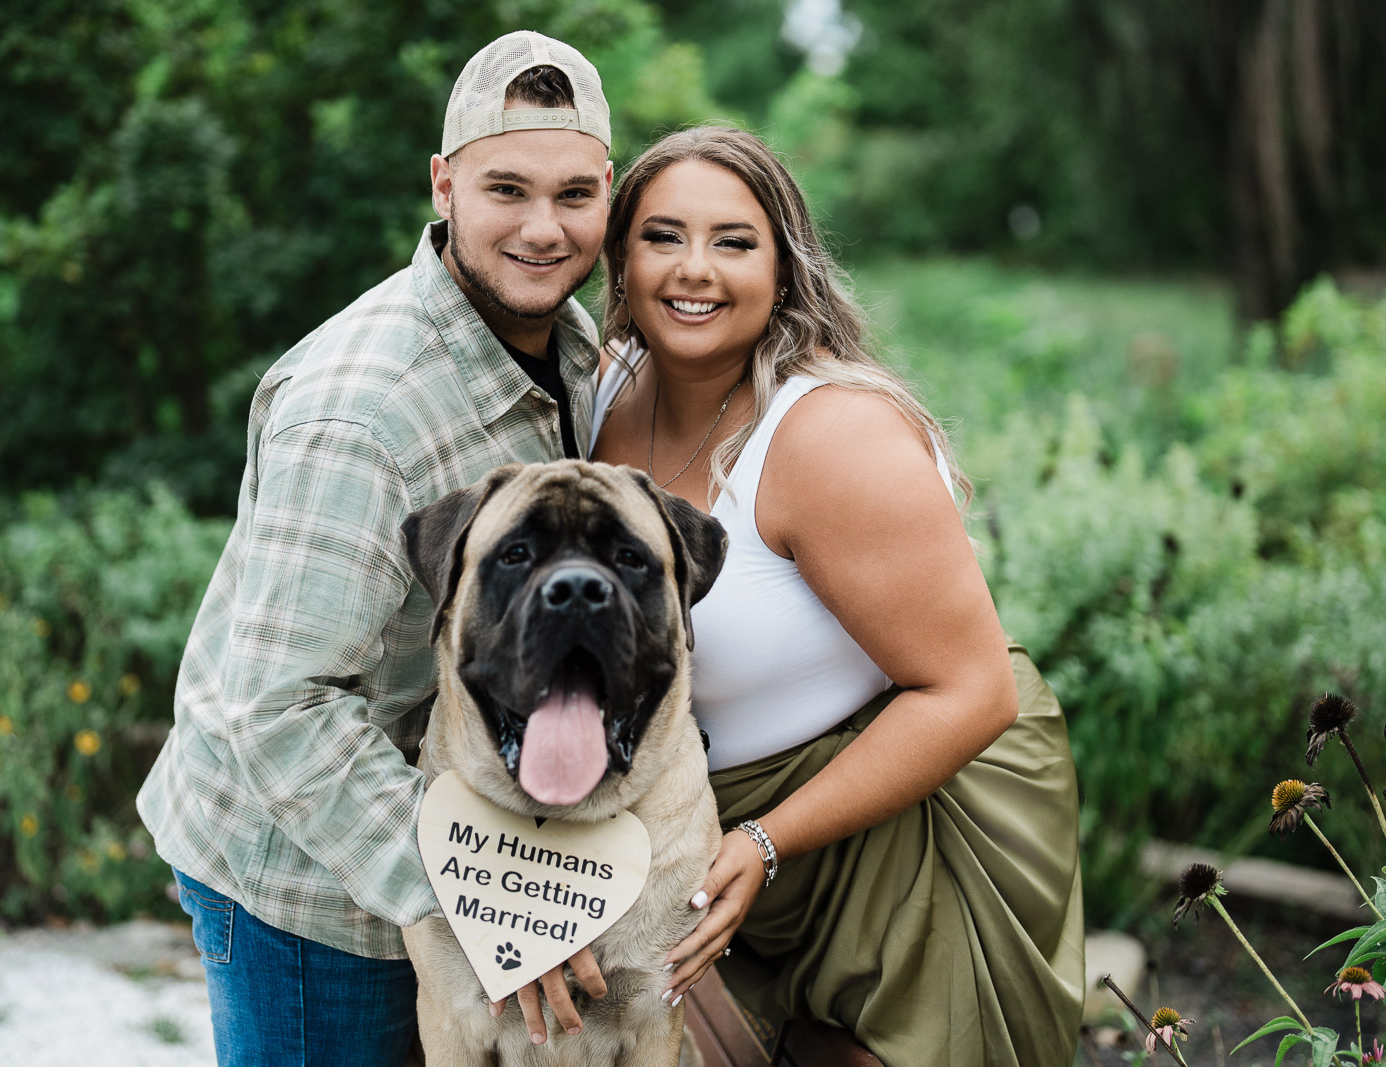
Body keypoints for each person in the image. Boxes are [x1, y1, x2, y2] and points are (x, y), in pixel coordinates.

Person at [137, 31, 617, 1065]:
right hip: (313, 886)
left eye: (574, 193)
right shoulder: (362, 414)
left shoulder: (575, 343)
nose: (544, 227)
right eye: (506, 189)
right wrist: (494, 904)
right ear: (443, 185)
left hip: (457, 839)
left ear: (610, 191)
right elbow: (278, 706)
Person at [588, 127, 1085, 1066]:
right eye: (663, 236)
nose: (695, 269)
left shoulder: (831, 438)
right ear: (620, 257)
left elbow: (974, 692)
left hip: (900, 832)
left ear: (784, 266)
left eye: (734, 241)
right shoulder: (604, 389)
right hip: (707, 834)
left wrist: (765, 842)